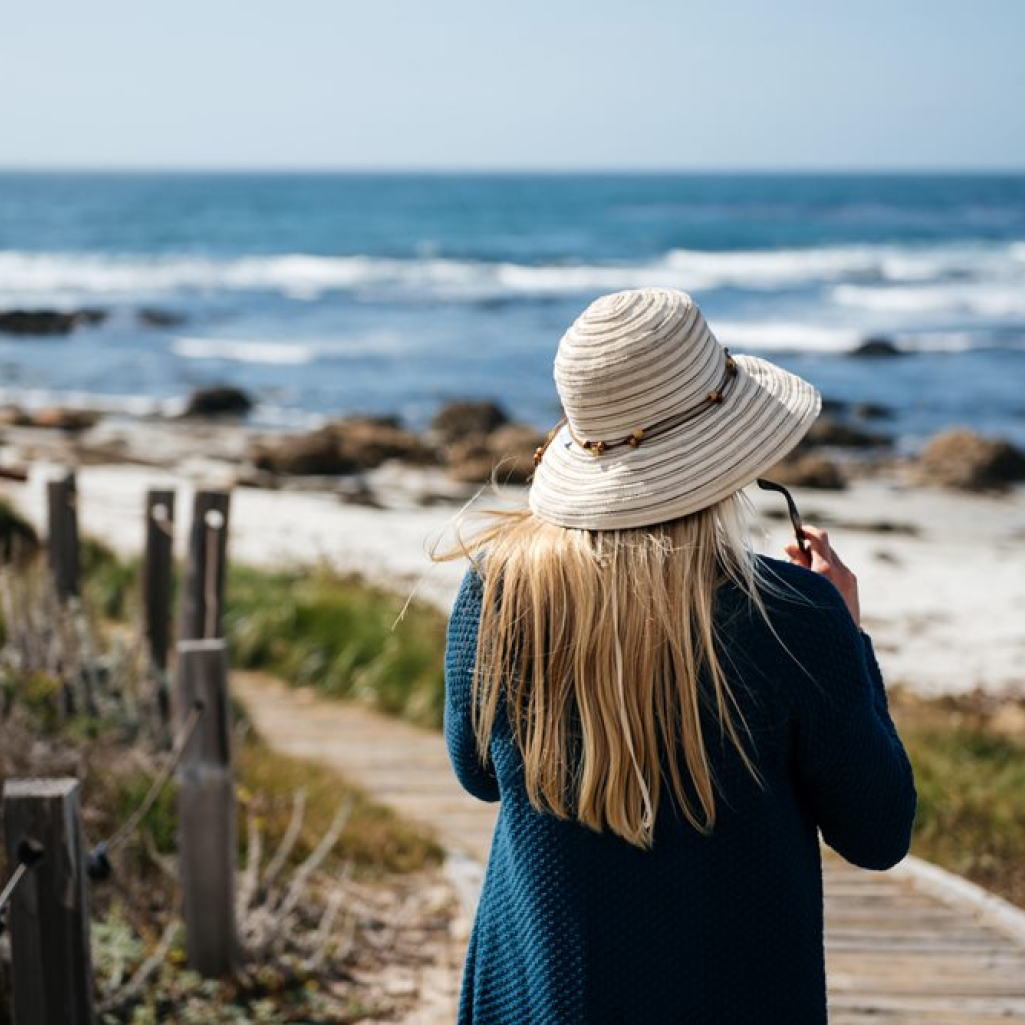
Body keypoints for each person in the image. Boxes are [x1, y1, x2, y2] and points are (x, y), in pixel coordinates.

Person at [441, 288, 917, 1024]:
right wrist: (849, 641)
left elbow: (477, 775)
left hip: (543, 994)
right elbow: (878, 832)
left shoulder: (497, 590)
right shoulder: (793, 615)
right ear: (730, 455)